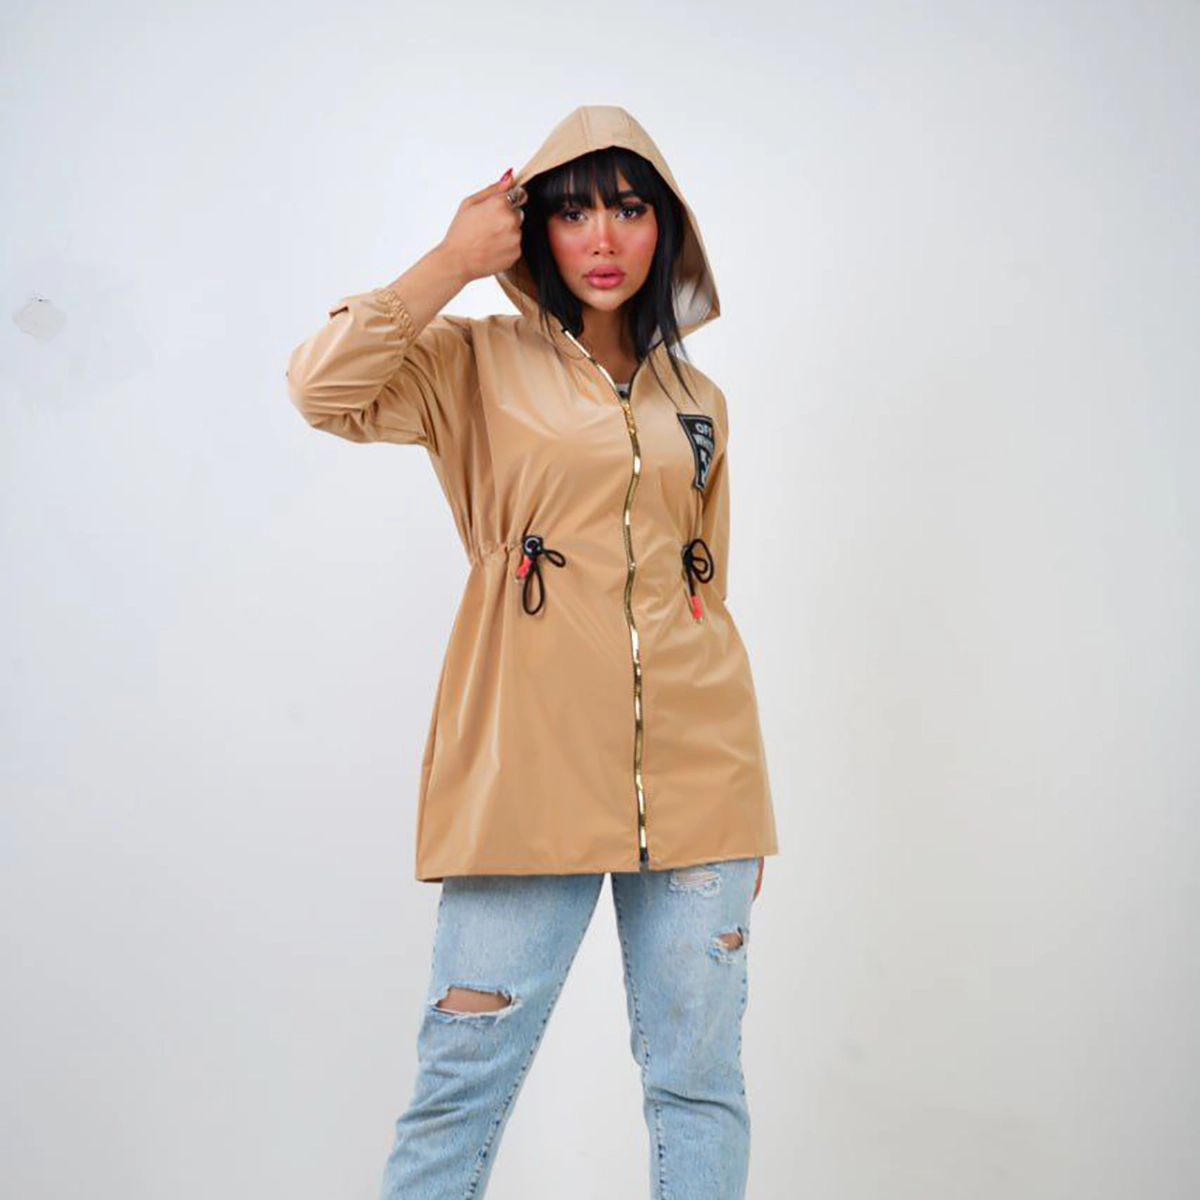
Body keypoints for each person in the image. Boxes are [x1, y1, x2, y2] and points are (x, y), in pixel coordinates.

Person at [285, 104, 779, 1200]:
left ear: (665, 229)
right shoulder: (471, 361)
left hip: (702, 780)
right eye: (574, 212)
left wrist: (743, 804)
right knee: (462, 1083)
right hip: (526, 768)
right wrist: (450, 261)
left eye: (630, 209)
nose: (604, 237)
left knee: (700, 1084)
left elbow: (707, 588)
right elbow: (320, 386)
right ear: (537, 231)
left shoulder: (698, 399)